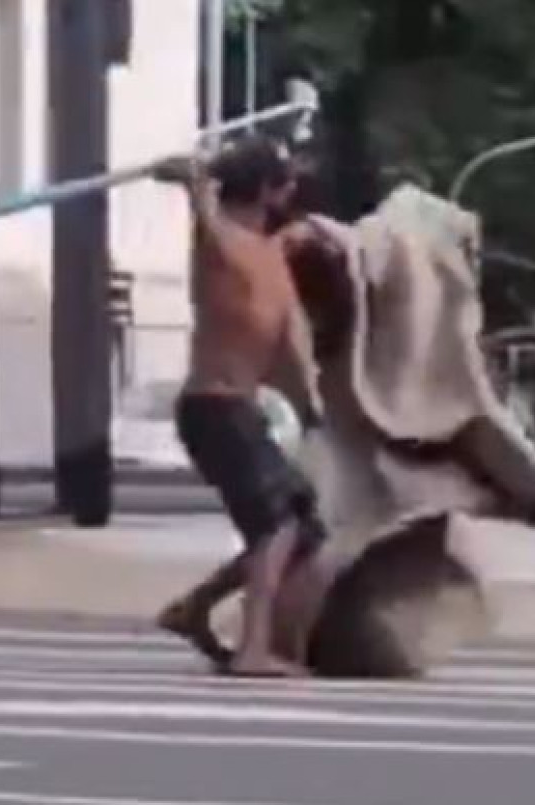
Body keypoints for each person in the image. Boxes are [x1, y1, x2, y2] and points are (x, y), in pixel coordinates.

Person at [150, 136, 328, 677]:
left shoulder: (274, 255)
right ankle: (253, 650)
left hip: (241, 409)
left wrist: (315, 408)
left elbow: (293, 344)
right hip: (212, 408)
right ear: (267, 191)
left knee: (305, 528)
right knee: (275, 527)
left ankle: (196, 607)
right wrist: (193, 184)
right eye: (286, 181)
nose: (295, 190)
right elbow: (205, 218)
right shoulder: (219, 243)